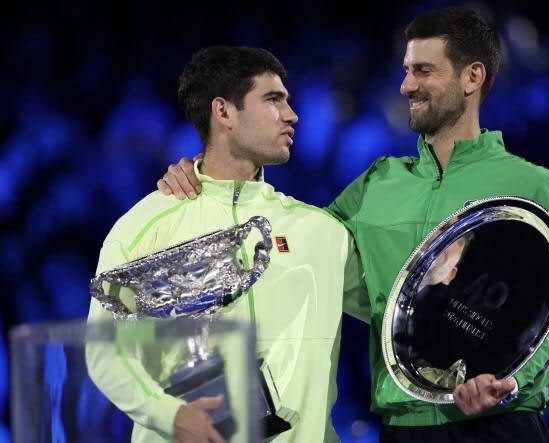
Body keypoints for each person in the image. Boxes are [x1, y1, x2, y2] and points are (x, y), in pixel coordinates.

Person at [158, 7, 549, 443]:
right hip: (404, 428)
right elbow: (292, 245)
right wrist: (211, 175)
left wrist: (509, 383)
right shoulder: (377, 183)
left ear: (472, 77)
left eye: (424, 71)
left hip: (501, 426)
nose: (406, 85)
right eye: (406, 70)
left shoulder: (531, 186)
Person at [87, 45, 368, 443]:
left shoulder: (322, 231)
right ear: (223, 112)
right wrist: (172, 416)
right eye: (273, 100)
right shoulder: (144, 227)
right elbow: (104, 351)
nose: (291, 114)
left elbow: (397, 315)